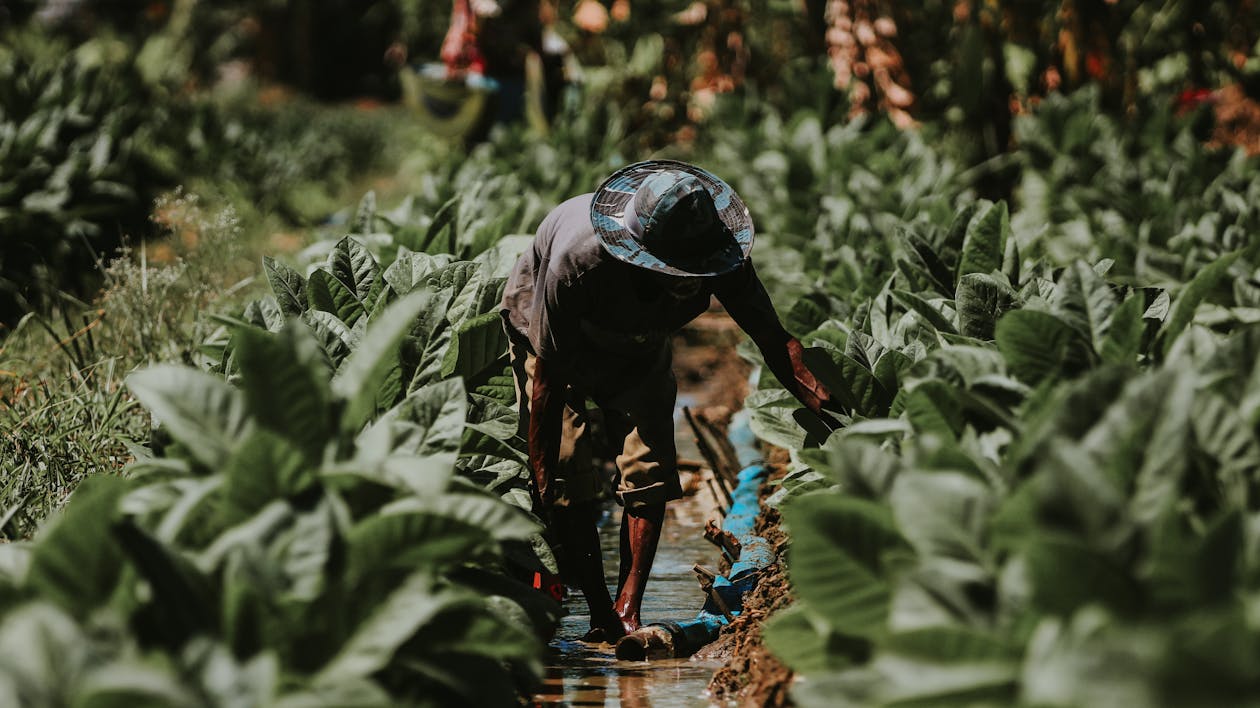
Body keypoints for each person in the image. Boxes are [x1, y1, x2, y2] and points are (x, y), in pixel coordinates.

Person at [500, 160, 836, 642]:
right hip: (550, 336)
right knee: (568, 470)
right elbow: (549, 383)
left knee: (649, 463)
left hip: (639, 339)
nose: (690, 280)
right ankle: (598, 612)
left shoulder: (716, 252)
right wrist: (543, 481)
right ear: (638, 255)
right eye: (676, 273)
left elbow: (774, 340)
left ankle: (628, 608)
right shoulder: (578, 261)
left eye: (695, 273)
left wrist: (840, 422)